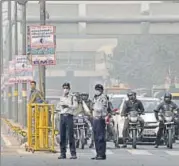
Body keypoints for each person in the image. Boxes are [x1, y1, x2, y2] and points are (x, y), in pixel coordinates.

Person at [56, 82, 78, 159]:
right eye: (64, 88)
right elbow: (58, 107)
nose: (65, 89)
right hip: (62, 116)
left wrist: (68, 106)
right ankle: (63, 153)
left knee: (70, 135)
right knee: (62, 136)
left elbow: (75, 106)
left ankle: (73, 154)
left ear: (69, 88)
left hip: (69, 116)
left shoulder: (72, 97)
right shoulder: (61, 97)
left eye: (66, 88)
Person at [91, 84, 108, 160]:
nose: (97, 91)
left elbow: (101, 108)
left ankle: (101, 154)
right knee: (96, 137)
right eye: (96, 89)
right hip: (95, 118)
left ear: (102, 90)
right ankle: (98, 154)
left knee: (100, 137)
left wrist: (95, 108)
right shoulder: (95, 97)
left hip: (100, 118)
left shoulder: (103, 98)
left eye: (99, 89)